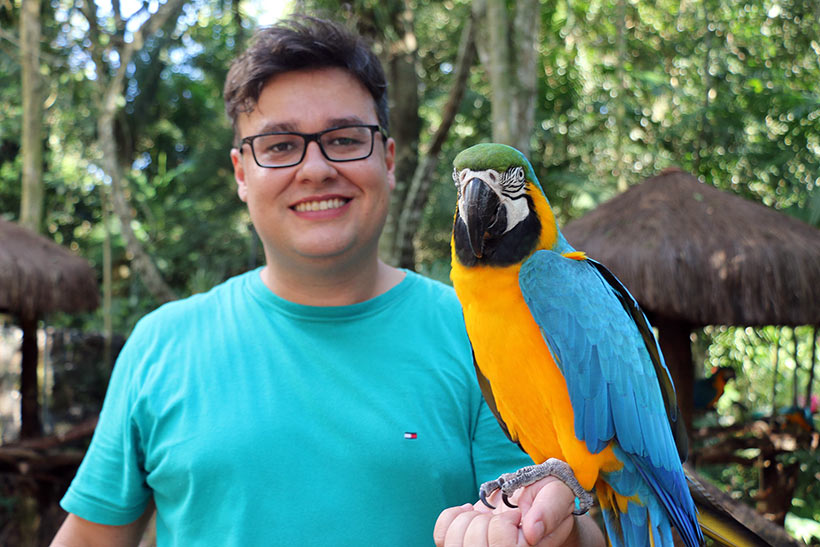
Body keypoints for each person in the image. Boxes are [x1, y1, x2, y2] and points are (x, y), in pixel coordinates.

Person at [51, 16, 604, 547]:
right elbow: (92, 536)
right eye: (279, 146)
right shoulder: (159, 343)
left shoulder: (480, 329)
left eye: (343, 139)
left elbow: (548, 512)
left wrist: (555, 533)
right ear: (242, 173)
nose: (315, 169)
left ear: (388, 159)